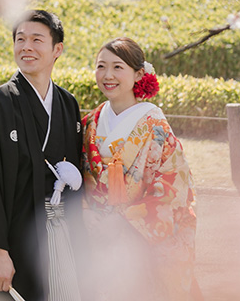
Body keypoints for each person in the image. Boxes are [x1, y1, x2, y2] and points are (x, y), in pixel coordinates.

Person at [0, 10, 86, 301]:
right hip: (11, 239)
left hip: (60, 233)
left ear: (57, 50)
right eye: (20, 39)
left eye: (37, 39)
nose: (26, 46)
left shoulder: (68, 104)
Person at [81, 37, 201, 300]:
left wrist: (123, 222)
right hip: (92, 237)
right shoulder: (89, 122)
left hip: (135, 239)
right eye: (101, 66)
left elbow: (173, 187)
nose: (107, 75)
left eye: (117, 67)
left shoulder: (155, 126)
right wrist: (85, 212)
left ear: (138, 74)